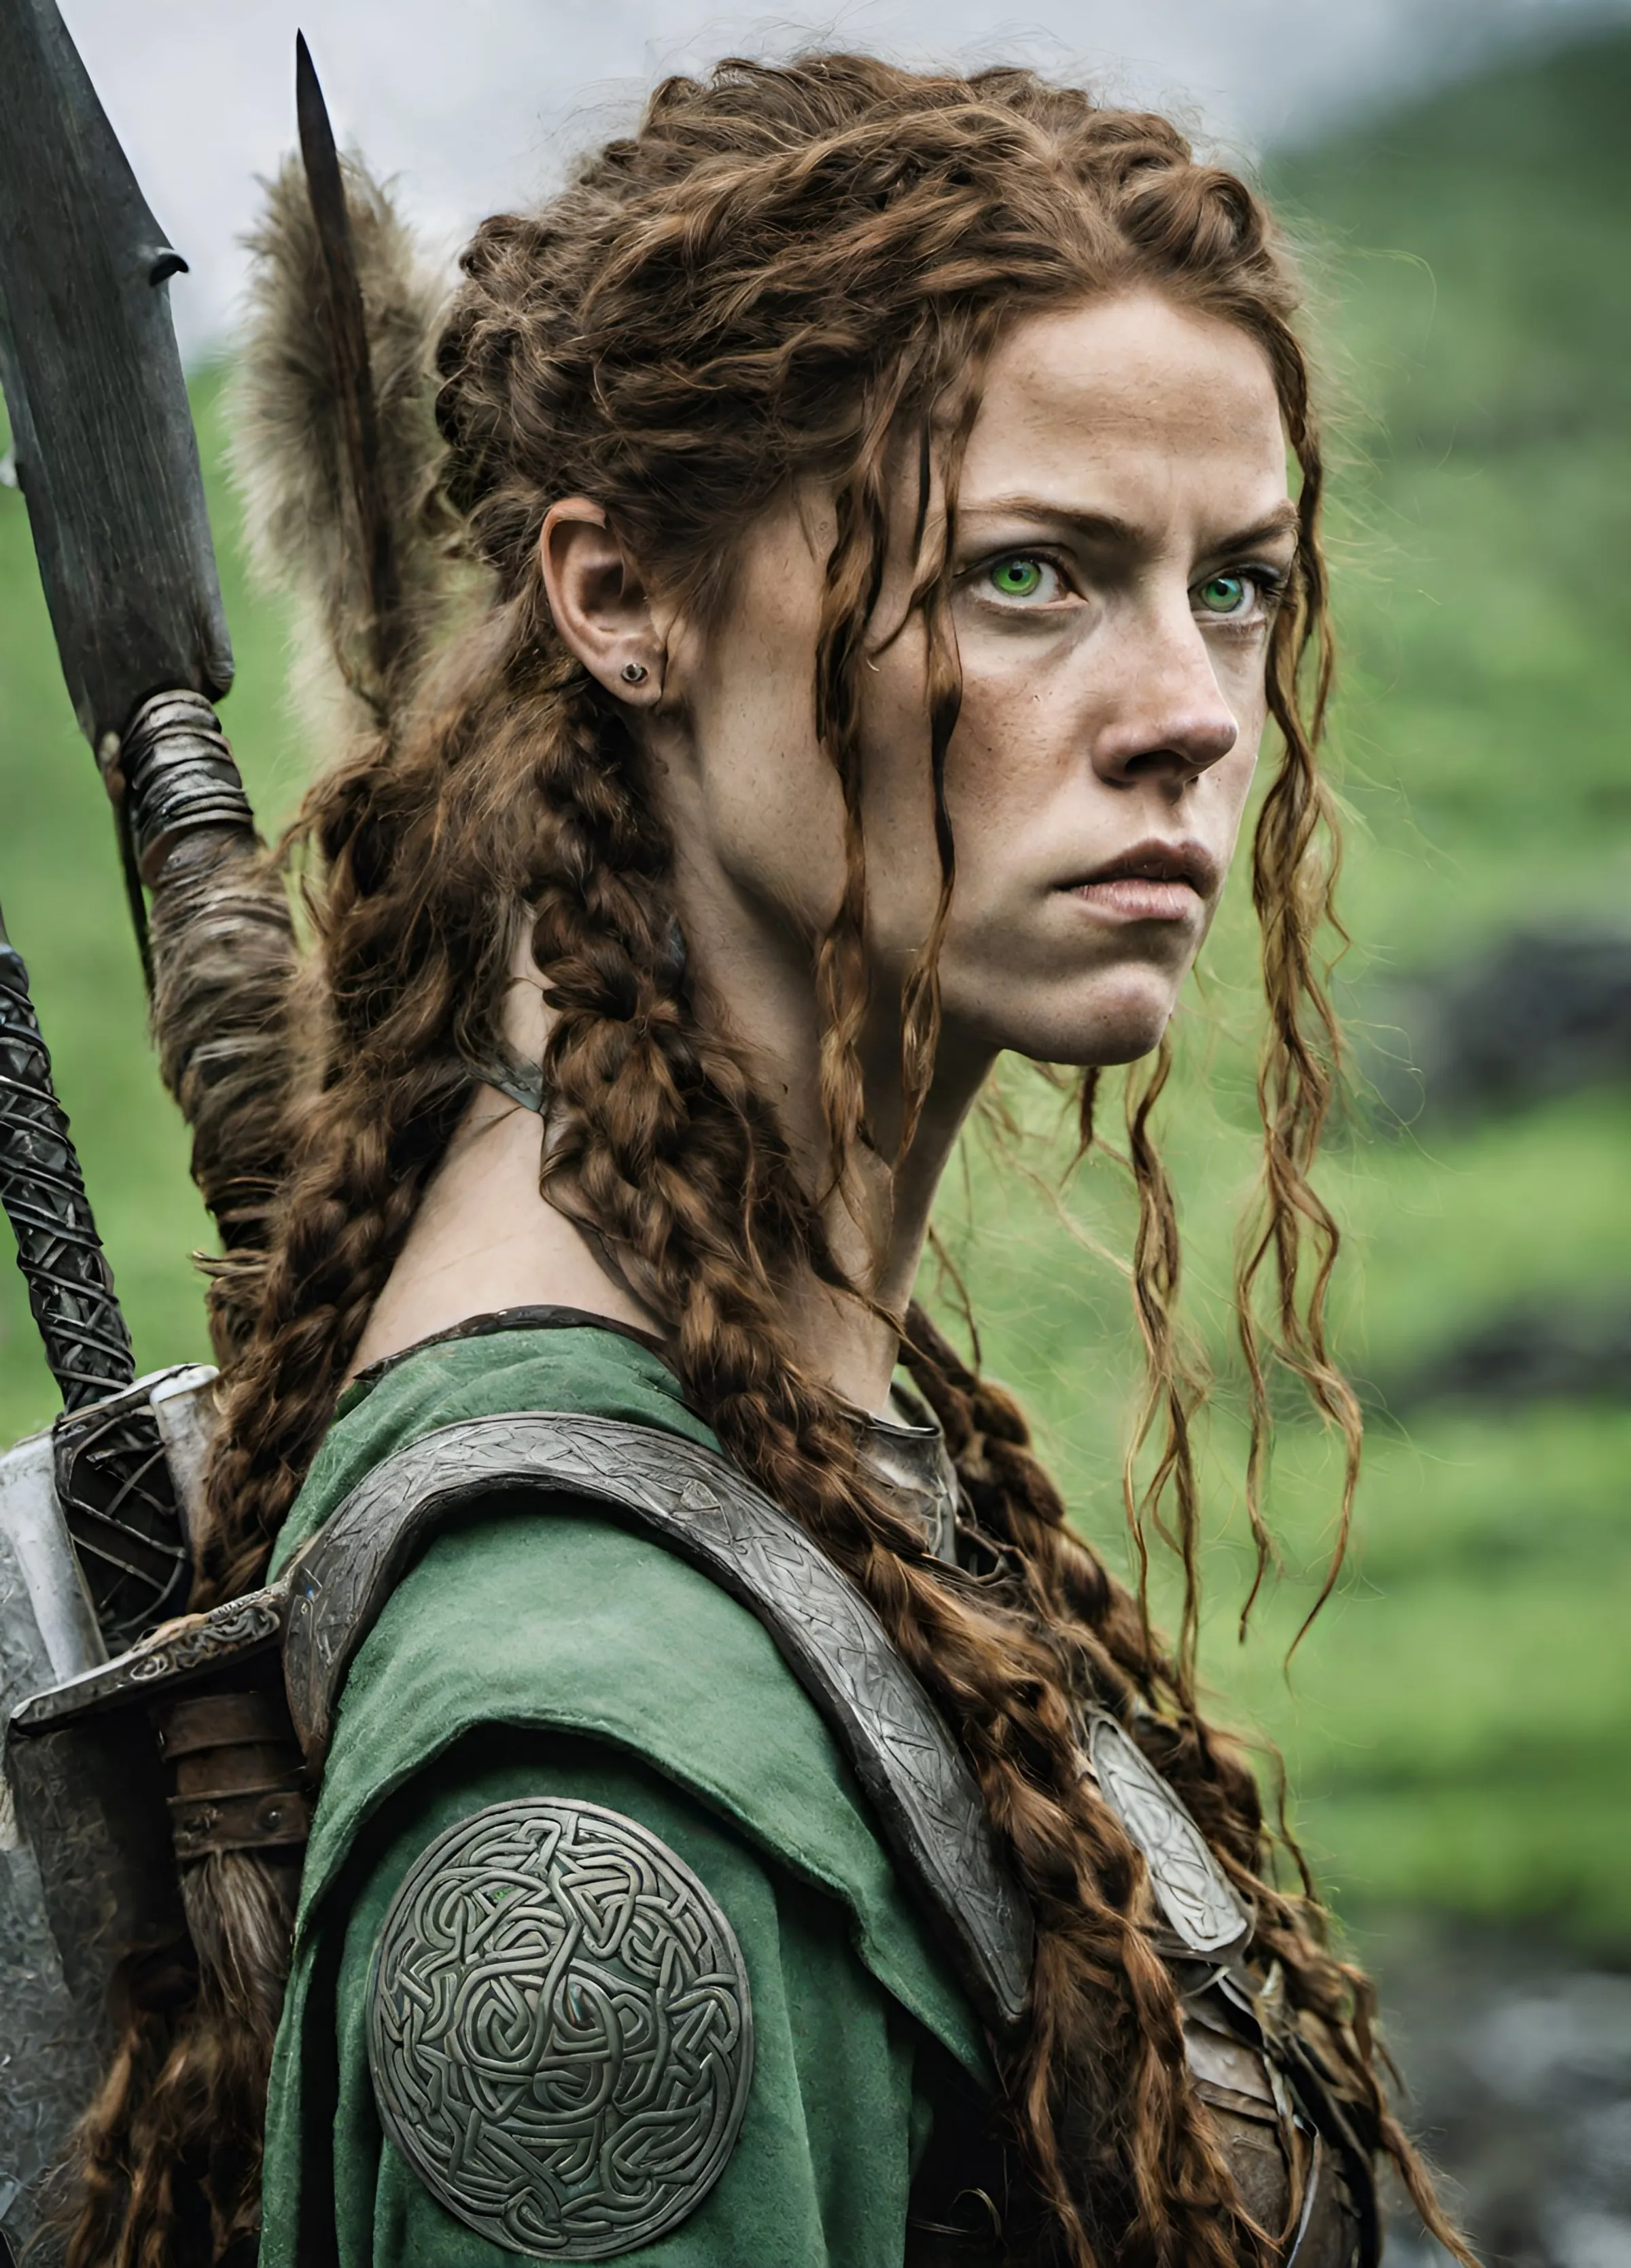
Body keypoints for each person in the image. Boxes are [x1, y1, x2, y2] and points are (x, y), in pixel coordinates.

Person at [61, 53, 1467, 2268]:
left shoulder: (785, 1413)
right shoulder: (595, 1764)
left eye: (1238, 585)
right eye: (1032, 574)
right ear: (624, 598)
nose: (1194, 704)